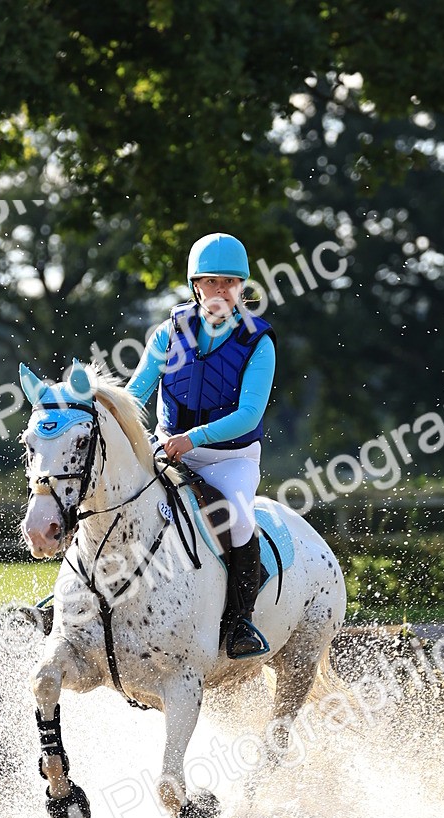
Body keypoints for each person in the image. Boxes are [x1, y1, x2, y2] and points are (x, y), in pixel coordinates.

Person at [126, 232, 276, 658]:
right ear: (196, 286)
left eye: (229, 282)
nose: (220, 291)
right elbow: (137, 392)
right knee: (114, 497)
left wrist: (193, 438)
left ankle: (242, 622)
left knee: (241, 521)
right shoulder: (169, 333)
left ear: (242, 287)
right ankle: (75, 601)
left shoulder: (257, 342)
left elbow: (249, 414)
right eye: (211, 282)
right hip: (167, 450)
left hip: (230, 459)